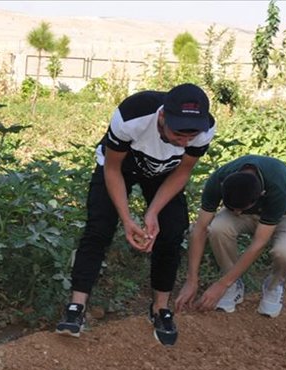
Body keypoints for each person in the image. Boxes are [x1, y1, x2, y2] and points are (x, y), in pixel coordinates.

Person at [55, 83, 216, 346]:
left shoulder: (204, 129)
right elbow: (112, 168)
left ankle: (160, 309)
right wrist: (127, 218)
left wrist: (152, 212)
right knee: (100, 227)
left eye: (191, 136)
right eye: (178, 133)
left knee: (173, 231)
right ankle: (76, 307)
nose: (184, 141)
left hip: (166, 172)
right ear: (162, 117)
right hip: (120, 166)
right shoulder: (132, 116)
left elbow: (184, 171)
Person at [175, 154, 286, 318]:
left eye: (240, 208)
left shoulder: (277, 183)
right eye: (232, 207)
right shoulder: (219, 179)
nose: (237, 212)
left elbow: (259, 242)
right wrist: (192, 279)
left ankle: (273, 285)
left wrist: (221, 285)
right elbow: (200, 229)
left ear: (261, 194)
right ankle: (234, 284)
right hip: (250, 213)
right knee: (217, 228)